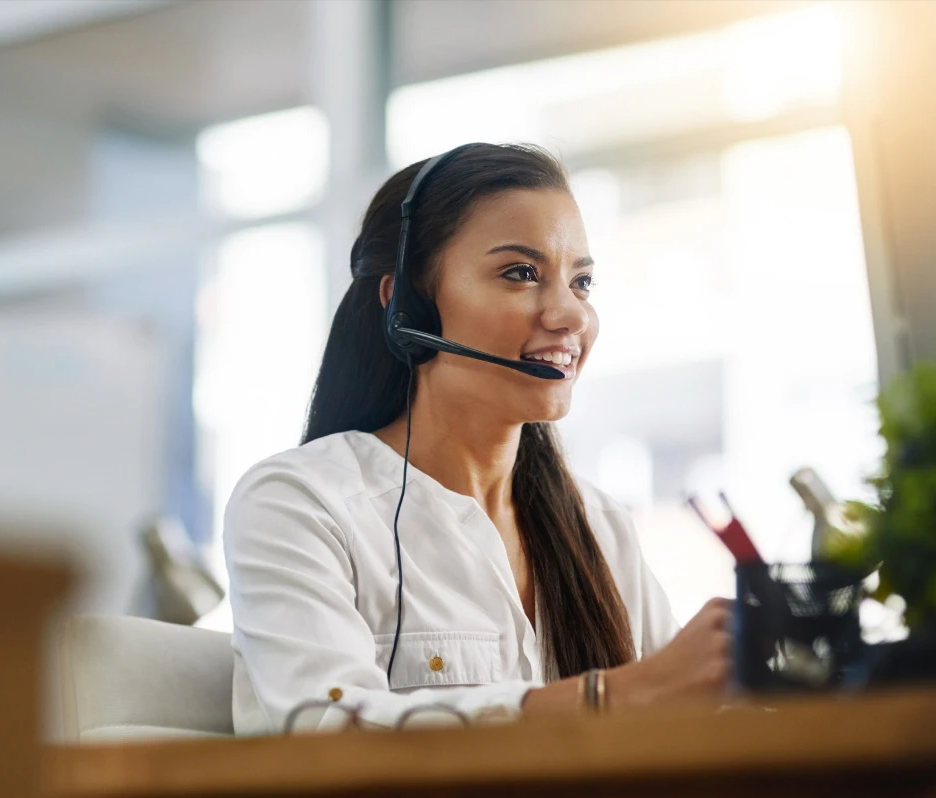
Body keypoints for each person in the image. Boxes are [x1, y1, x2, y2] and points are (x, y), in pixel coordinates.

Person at [224, 143, 732, 735]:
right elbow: (330, 725)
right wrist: (609, 696)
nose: (570, 315)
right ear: (408, 304)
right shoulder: (300, 503)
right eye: (521, 274)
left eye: (582, 281)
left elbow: (679, 719)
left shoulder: (599, 525)